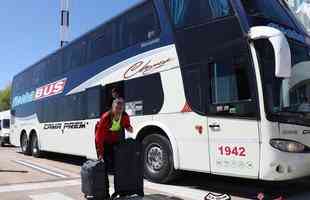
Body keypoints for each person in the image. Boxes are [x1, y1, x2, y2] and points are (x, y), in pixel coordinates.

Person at [95, 98, 133, 197]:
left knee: (119, 167)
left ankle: (120, 191)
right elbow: (99, 137)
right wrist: (100, 153)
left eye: (121, 108)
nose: (118, 110)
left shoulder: (124, 116)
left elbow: (126, 124)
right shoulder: (106, 117)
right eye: (117, 108)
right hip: (104, 142)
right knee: (104, 168)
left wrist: (129, 128)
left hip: (116, 142)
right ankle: (105, 193)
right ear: (112, 108)